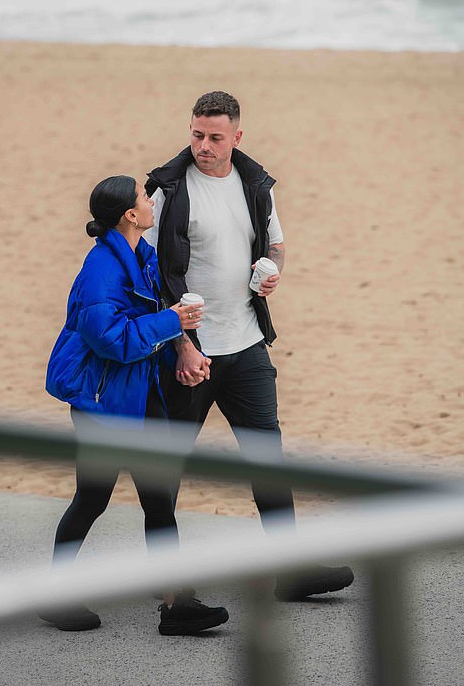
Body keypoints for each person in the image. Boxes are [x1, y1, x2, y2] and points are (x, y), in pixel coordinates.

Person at [144, 91, 354, 601]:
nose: (204, 146)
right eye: (197, 135)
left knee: (267, 458)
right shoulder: (168, 190)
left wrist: (272, 269)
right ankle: (172, 589)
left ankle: (291, 570)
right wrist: (179, 345)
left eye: (216, 137)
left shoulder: (256, 184)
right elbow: (147, 274)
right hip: (188, 353)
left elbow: (277, 243)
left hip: (247, 344)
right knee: (163, 470)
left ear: (238, 137)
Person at [43, 175, 229, 634]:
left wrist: (184, 350)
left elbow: (144, 323)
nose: (150, 205)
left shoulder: (139, 256)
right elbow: (113, 341)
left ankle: (176, 603)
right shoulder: (101, 271)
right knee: (92, 499)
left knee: (158, 499)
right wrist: (171, 321)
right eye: (144, 200)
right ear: (130, 214)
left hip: (136, 400)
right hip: (104, 407)